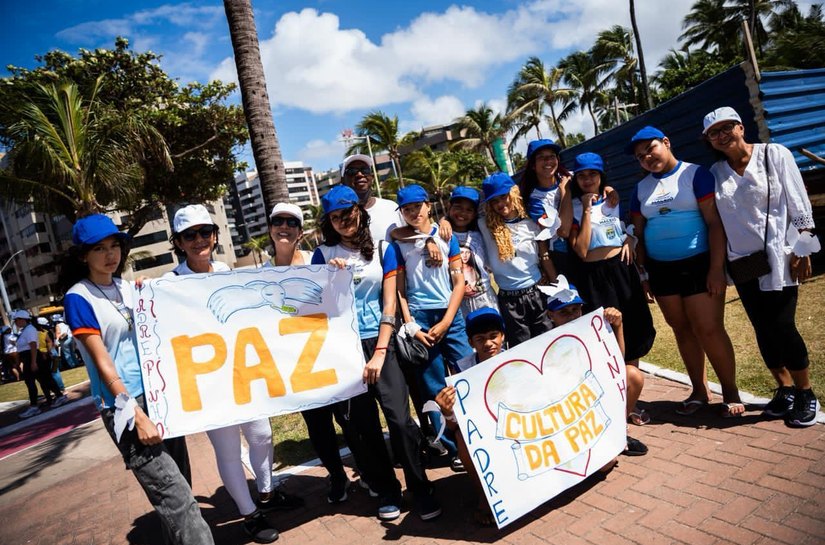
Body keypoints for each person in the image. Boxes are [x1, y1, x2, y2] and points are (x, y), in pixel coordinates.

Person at [61, 214, 214, 545]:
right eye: (99, 248)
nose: (110, 254)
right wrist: (134, 412)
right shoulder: (78, 297)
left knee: (179, 495)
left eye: (115, 245)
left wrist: (151, 292)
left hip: (159, 397)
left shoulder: (128, 288)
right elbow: (102, 361)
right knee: (179, 501)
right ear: (82, 255)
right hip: (125, 407)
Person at [167, 204, 301, 543]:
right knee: (227, 448)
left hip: (243, 369)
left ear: (214, 236)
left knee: (261, 435)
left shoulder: (227, 269)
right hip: (208, 379)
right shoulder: (168, 284)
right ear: (178, 242)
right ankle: (249, 513)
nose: (199, 240)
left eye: (204, 233)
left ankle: (268, 493)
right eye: (189, 235)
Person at [312, 185, 441, 521]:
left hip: (381, 342)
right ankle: (387, 490)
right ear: (328, 221)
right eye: (336, 217)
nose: (344, 222)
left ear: (360, 211)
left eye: (349, 213)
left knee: (399, 420)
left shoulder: (384, 248)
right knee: (362, 428)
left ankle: (420, 486)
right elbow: (315, 307)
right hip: (345, 349)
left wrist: (381, 352)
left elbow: (389, 304)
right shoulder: (322, 255)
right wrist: (329, 278)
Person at [704, 106, 821, 427]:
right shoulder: (715, 173)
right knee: (762, 327)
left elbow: (799, 201)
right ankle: (784, 388)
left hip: (781, 256)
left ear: (741, 127)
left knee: (783, 325)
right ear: (709, 140)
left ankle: (806, 392)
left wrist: (803, 244)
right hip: (743, 261)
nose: (722, 135)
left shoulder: (774, 155)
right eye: (714, 132)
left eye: (727, 127)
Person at [628, 126, 744, 418]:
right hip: (661, 270)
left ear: (666, 142)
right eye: (640, 157)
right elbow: (638, 236)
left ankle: (730, 392)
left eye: (650, 149)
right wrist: (644, 275)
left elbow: (714, 224)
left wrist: (716, 269)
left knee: (708, 329)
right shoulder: (640, 190)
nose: (647, 157)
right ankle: (699, 391)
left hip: (698, 264)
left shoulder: (696, 174)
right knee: (681, 329)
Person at [568, 152, 655, 422]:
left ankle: (631, 400)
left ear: (601, 175)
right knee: (603, 336)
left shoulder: (613, 198)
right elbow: (581, 250)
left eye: (592, 174)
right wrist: (584, 208)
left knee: (633, 329)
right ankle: (610, 398)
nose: (587, 179)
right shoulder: (572, 206)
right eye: (582, 175)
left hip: (621, 269)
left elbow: (628, 226)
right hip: (593, 275)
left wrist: (629, 238)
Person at [393, 184, 473, 469]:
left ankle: (478, 434)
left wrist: (449, 320)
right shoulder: (397, 242)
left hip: (449, 315)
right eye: (407, 209)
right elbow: (399, 289)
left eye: (418, 206)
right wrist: (411, 324)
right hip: (421, 318)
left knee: (468, 372)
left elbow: (459, 281)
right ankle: (453, 448)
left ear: (428, 205)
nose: (414, 212)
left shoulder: (445, 234)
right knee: (434, 386)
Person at [543, 279, 648, 456]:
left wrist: (618, 326)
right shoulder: (544, 343)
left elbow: (617, 362)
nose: (571, 315)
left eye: (575, 309)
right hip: (569, 403)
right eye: (563, 312)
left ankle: (618, 432)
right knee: (606, 465)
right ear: (550, 315)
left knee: (632, 375)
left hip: (595, 391)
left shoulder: (591, 330)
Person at [434, 307, 507, 526]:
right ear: (471, 342)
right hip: (486, 427)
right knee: (461, 439)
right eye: (480, 338)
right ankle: (485, 496)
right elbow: (453, 424)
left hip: (517, 420)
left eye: (494, 336)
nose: (488, 343)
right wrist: (446, 410)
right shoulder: (460, 370)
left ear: (503, 336)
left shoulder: (515, 359)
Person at [477, 172, 554, 347]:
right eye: (494, 201)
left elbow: (544, 255)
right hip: (509, 300)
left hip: (538, 293)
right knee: (523, 350)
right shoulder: (485, 225)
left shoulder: (532, 221)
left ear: (513, 193)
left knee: (549, 345)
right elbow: (457, 217)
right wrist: (444, 222)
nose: (499, 204)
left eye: (503, 197)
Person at [519, 139, 575, 277]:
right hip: (561, 256)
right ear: (533, 165)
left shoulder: (572, 178)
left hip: (587, 247)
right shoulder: (533, 199)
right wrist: (565, 191)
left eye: (552, 156)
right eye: (541, 158)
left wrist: (609, 190)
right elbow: (562, 231)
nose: (548, 161)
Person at [445, 186, 498, 317]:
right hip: (458, 303)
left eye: (469, 210)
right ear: (449, 207)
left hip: (485, 298)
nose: (463, 213)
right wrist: (444, 221)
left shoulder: (480, 233)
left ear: (475, 213)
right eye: (458, 207)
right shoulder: (442, 235)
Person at [14, 310, 67, 418]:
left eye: (16, 320)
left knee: (37, 380)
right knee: (41, 379)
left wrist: (33, 362)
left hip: (32, 357)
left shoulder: (29, 330)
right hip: (30, 358)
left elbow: (33, 346)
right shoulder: (26, 330)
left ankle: (35, 406)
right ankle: (57, 396)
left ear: (22, 319)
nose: (15, 322)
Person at [340, 154, 403, 240]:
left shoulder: (392, 207)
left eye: (365, 170)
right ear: (343, 181)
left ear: (372, 177)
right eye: (352, 171)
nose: (359, 174)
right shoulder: (338, 217)